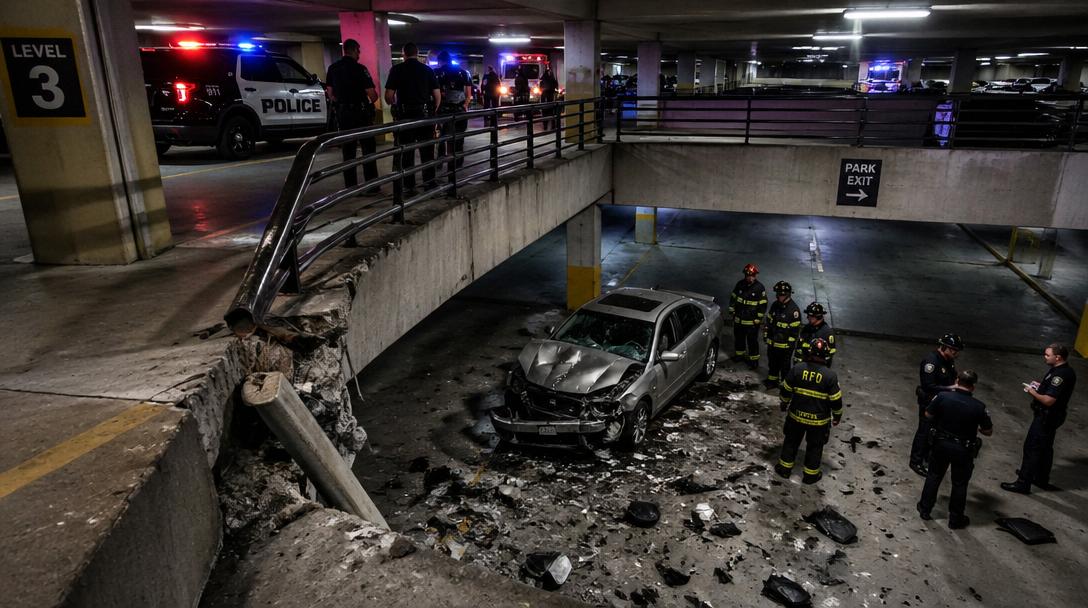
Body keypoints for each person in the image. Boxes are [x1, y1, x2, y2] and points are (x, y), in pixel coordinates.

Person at [917, 370, 992, 529]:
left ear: (957, 381)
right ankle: (955, 518)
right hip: (963, 449)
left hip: (941, 444)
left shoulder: (943, 397)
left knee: (934, 476)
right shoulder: (979, 407)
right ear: (973, 387)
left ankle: (925, 509)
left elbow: (928, 414)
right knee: (959, 484)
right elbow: (988, 431)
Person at [1001, 343, 1077, 494]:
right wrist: (1040, 387)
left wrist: (1032, 391)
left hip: (1046, 417)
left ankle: (1023, 482)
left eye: (1048, 355)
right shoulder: (1062, 370)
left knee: (1032, 448)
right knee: (1045, 448)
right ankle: (1041, 478)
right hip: (1053, 416)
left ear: (1058, 357)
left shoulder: (1059, 375)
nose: (1045, 357)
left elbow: (1049, 400)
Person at [775, 338, 843, 484]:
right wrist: (837, 416)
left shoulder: (797, 369)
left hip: (796, 417)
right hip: (818, 422)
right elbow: (836, 400)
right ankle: (810, 476)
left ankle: (784, 470)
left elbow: (785, 390)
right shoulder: (830, 376)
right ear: (826, 355)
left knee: (791, 442)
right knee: (815, 447)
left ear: (809, 352)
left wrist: (784, 403)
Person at [383, 42, 440, 195]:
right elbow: (437, 95)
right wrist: (432, 110)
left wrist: (394, 104)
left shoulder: (396, 70)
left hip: (405, 116)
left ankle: (409, 187)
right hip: (424, 115)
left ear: (404, 54)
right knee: (427, 150)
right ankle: (429, 182)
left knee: (406, 152)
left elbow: (388, 96)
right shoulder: (427, 70)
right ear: (417, 53)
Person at [325, 38, 379, 193]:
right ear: (355, 50)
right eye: (359, 51)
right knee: (368, 148)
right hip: (361, 113)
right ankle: (372, 186)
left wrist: (341, 101)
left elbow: (330, 93)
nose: (359, 54)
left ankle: (350, 187)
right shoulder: (360, 69)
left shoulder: (333, 68)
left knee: (348, 151)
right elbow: (372, 95)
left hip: (343, 113)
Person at [909, 334, 964, 477]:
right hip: (929, 402)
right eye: (953, 350)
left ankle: (927, 457)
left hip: (942, 402)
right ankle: (916, 461)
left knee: (934, 432)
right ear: (944, 347)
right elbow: (928, 385)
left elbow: (952, 376)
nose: (956, 353)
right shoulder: (931, 362)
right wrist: (952, 388)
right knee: (924, 431)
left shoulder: (948, 361)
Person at [433, 51, 472, 175]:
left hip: (443, 110)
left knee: (442, 138)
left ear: (440, 61)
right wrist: (465, 105)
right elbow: (468, 94)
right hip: (460, 109)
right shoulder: (464, 72)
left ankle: (440, 162)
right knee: (459, 137)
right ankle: (458, 162)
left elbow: (435, 93)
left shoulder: (437, 73)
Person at [763, 280, 801, 389]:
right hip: (773, 343)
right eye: (777, 294)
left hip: (785, 346)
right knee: (772, 363)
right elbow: (769, 321)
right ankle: (772, 381)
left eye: (779, 294)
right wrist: (766, 334)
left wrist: (789, 344)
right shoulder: (775, 305)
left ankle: (785, 385)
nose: (777, 296)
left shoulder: (794, 310)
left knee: (784, 366)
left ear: (786, 295)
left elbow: (794, 331)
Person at [728, 263, 767, 370]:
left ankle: (754, 360)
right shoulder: (740, 284)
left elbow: (763, 304)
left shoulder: (759, 288)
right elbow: (733, 297)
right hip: (739, 319)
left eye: (752, 275)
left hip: (751, 323)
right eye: (748, 275)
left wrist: (758, 319)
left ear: (755, 276)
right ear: (745, 275)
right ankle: (739, 355)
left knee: (752, 342)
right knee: (739, 339)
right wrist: (731, 310)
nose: (750, 277)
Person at [794, 302, 836, 367]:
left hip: (818, 368)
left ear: (818, 317)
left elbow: (830, 353)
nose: (807, 318)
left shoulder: (827, 333)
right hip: (804, 365)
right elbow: (799, 345)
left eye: (810, 316)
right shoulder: (806, 328)